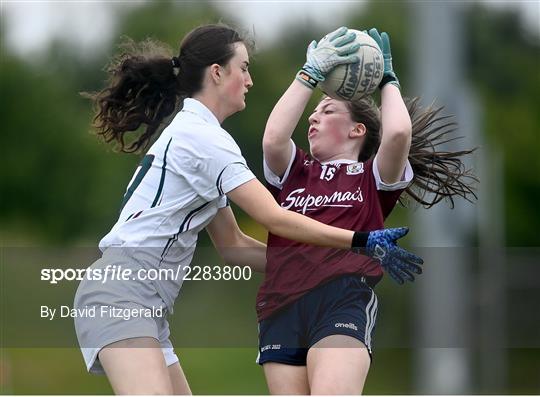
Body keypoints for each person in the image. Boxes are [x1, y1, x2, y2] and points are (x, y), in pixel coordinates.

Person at [73, 24, 422, 395]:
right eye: (244, 68)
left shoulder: (195, 133)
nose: (250, 80)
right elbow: (272, 216)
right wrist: (359, 241)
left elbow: (233, 245)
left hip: (142, 302)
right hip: (123, 292)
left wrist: (316, 266)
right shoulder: (206, 139)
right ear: (217, 73)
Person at [256, 27, 477, 394]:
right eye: (314, 112)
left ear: (357, 130)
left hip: (342, 298)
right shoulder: (294, 171)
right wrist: (307, 75)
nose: (312, 118)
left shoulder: (372, 177)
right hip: (281, 304)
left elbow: (396, 136)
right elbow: (273, 137)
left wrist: (387, 80)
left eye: (326, 111)